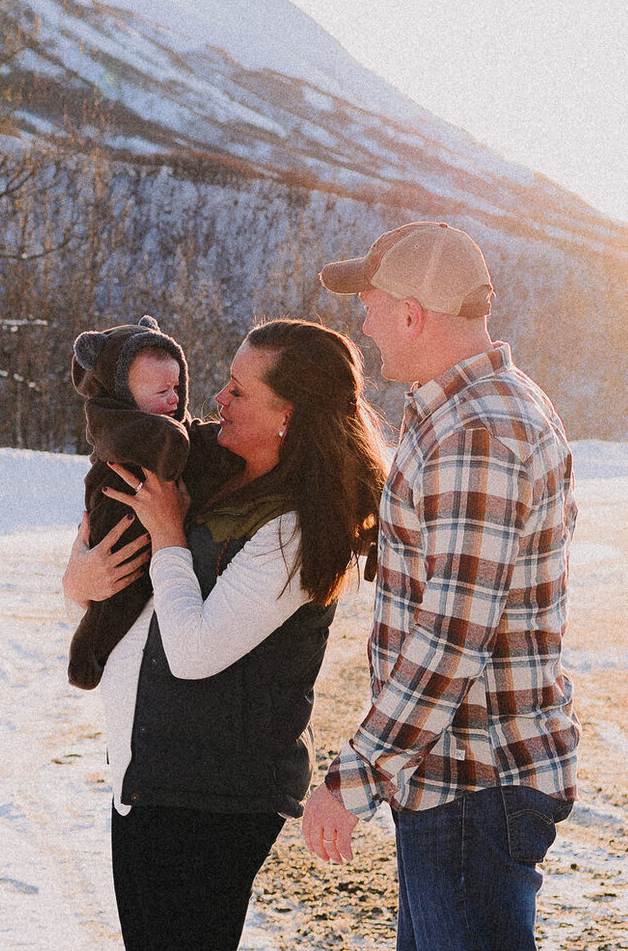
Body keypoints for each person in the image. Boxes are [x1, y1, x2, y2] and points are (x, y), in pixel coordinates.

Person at [297, 221, 579, 951]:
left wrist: (349, 781)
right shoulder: (466, 410)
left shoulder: (476, 431)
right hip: (455, 781)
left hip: (472, 785)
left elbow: (452, 636)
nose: (364, 323)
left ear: (414, 314)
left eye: (372, 304)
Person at [63, 318, 385, 951]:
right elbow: (122, 592)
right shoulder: (212, 467)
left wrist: (169, 533)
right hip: (153, 775)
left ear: (287, 416)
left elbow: (193, 652)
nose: (216, 400)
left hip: (212, 797)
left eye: (238, 391)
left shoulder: (297, 528)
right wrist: (80, 580)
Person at [65, 317, 241, 691]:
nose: (174, 399)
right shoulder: (113, 422)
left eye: (177, 387)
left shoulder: (172, 422)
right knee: (117, 598)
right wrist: (76, 584)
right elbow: (170, 446)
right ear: (123, 395)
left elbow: (189, 437)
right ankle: (86, 658)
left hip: (152, 525)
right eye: (161, 391)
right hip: (117, 513)